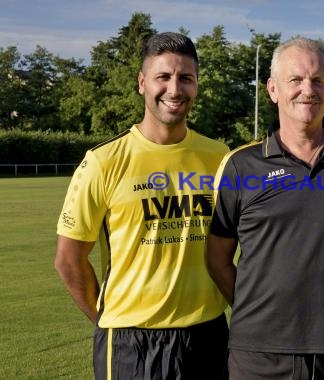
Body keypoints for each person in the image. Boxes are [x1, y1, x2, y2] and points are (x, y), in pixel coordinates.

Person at [54, 32, 230, 380]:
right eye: (163, 77)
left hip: (209, 334)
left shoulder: (219, 157)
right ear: (142, 83)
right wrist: (109, 322)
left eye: (185, 78)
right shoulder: (103, 161)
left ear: (196, 85)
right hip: (131, 341)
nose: (174, 89)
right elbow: (68, 260)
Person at [205, 37, 324, 379]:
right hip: (258, 356)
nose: (307, 89)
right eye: (295, 80)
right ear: (273, 89)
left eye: (318, 80)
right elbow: (217, 258)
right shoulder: (240, 165)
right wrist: (256, 311)